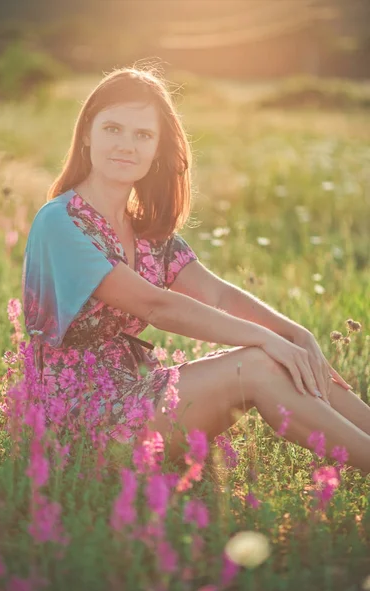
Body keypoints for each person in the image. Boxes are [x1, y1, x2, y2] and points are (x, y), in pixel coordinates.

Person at [22, 67, 370, 474]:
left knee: (287, 356)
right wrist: (269, 342)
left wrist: (294, 333)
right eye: (112, 129)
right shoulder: (59, 222)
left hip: (134, 393)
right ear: (86, 134)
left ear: (157, 149)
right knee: (259, 362)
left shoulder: (147, 232)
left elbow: (220, 296)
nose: (126, 145)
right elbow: (155, 306)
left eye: (143, 135)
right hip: (76, 421)